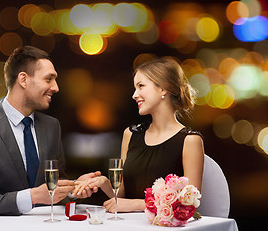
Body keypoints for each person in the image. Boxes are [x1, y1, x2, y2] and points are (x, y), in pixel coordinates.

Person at [0, 45, 99, 218]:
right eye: (49, 79)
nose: (56, 87)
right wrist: (31, 197)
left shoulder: (51, 126)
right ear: (23, 80)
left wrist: (73, 190)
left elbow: (53, 189)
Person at [73, 57, 204, 213]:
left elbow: (189, 202)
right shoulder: (130, 134)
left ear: (163, 88)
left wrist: (136, 204)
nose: (134, 95)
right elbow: (120, 194)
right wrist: (103, 182)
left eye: (141, 86)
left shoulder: (190, 140)